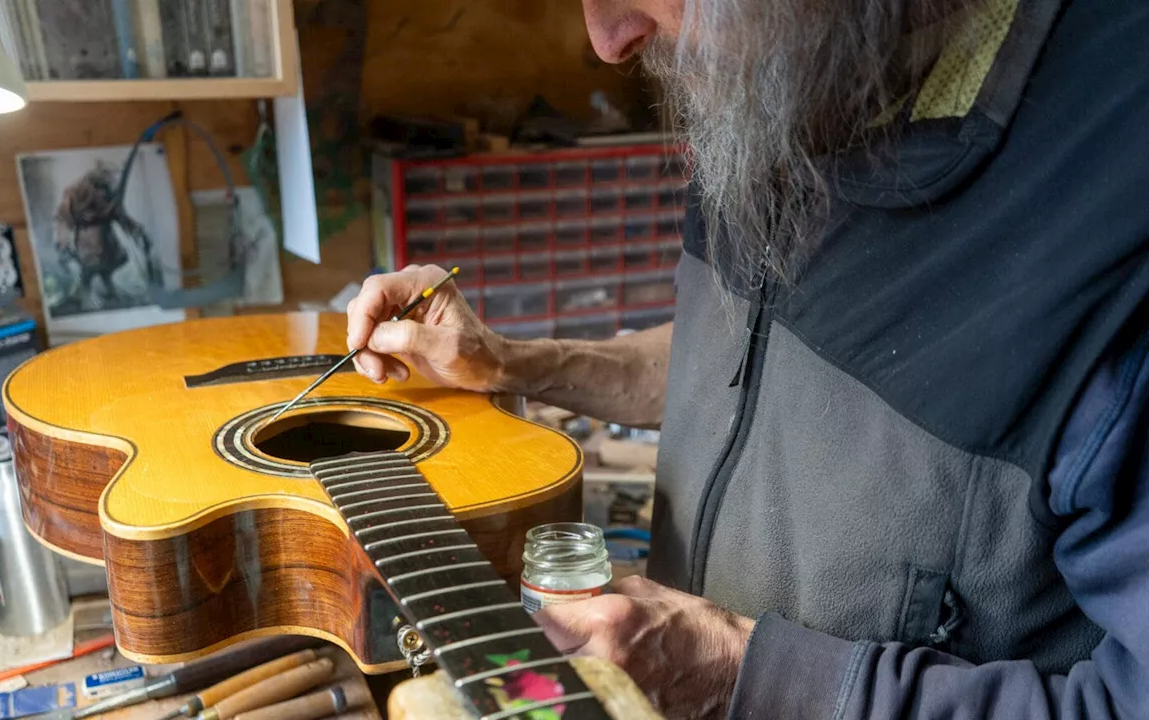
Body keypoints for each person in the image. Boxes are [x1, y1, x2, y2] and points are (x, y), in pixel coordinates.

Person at [346, 0, 1149, 717]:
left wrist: (737, 673)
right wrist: (513, 363)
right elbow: (736, 365)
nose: (606, 41)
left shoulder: (1113, 200)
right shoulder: (788, 69)